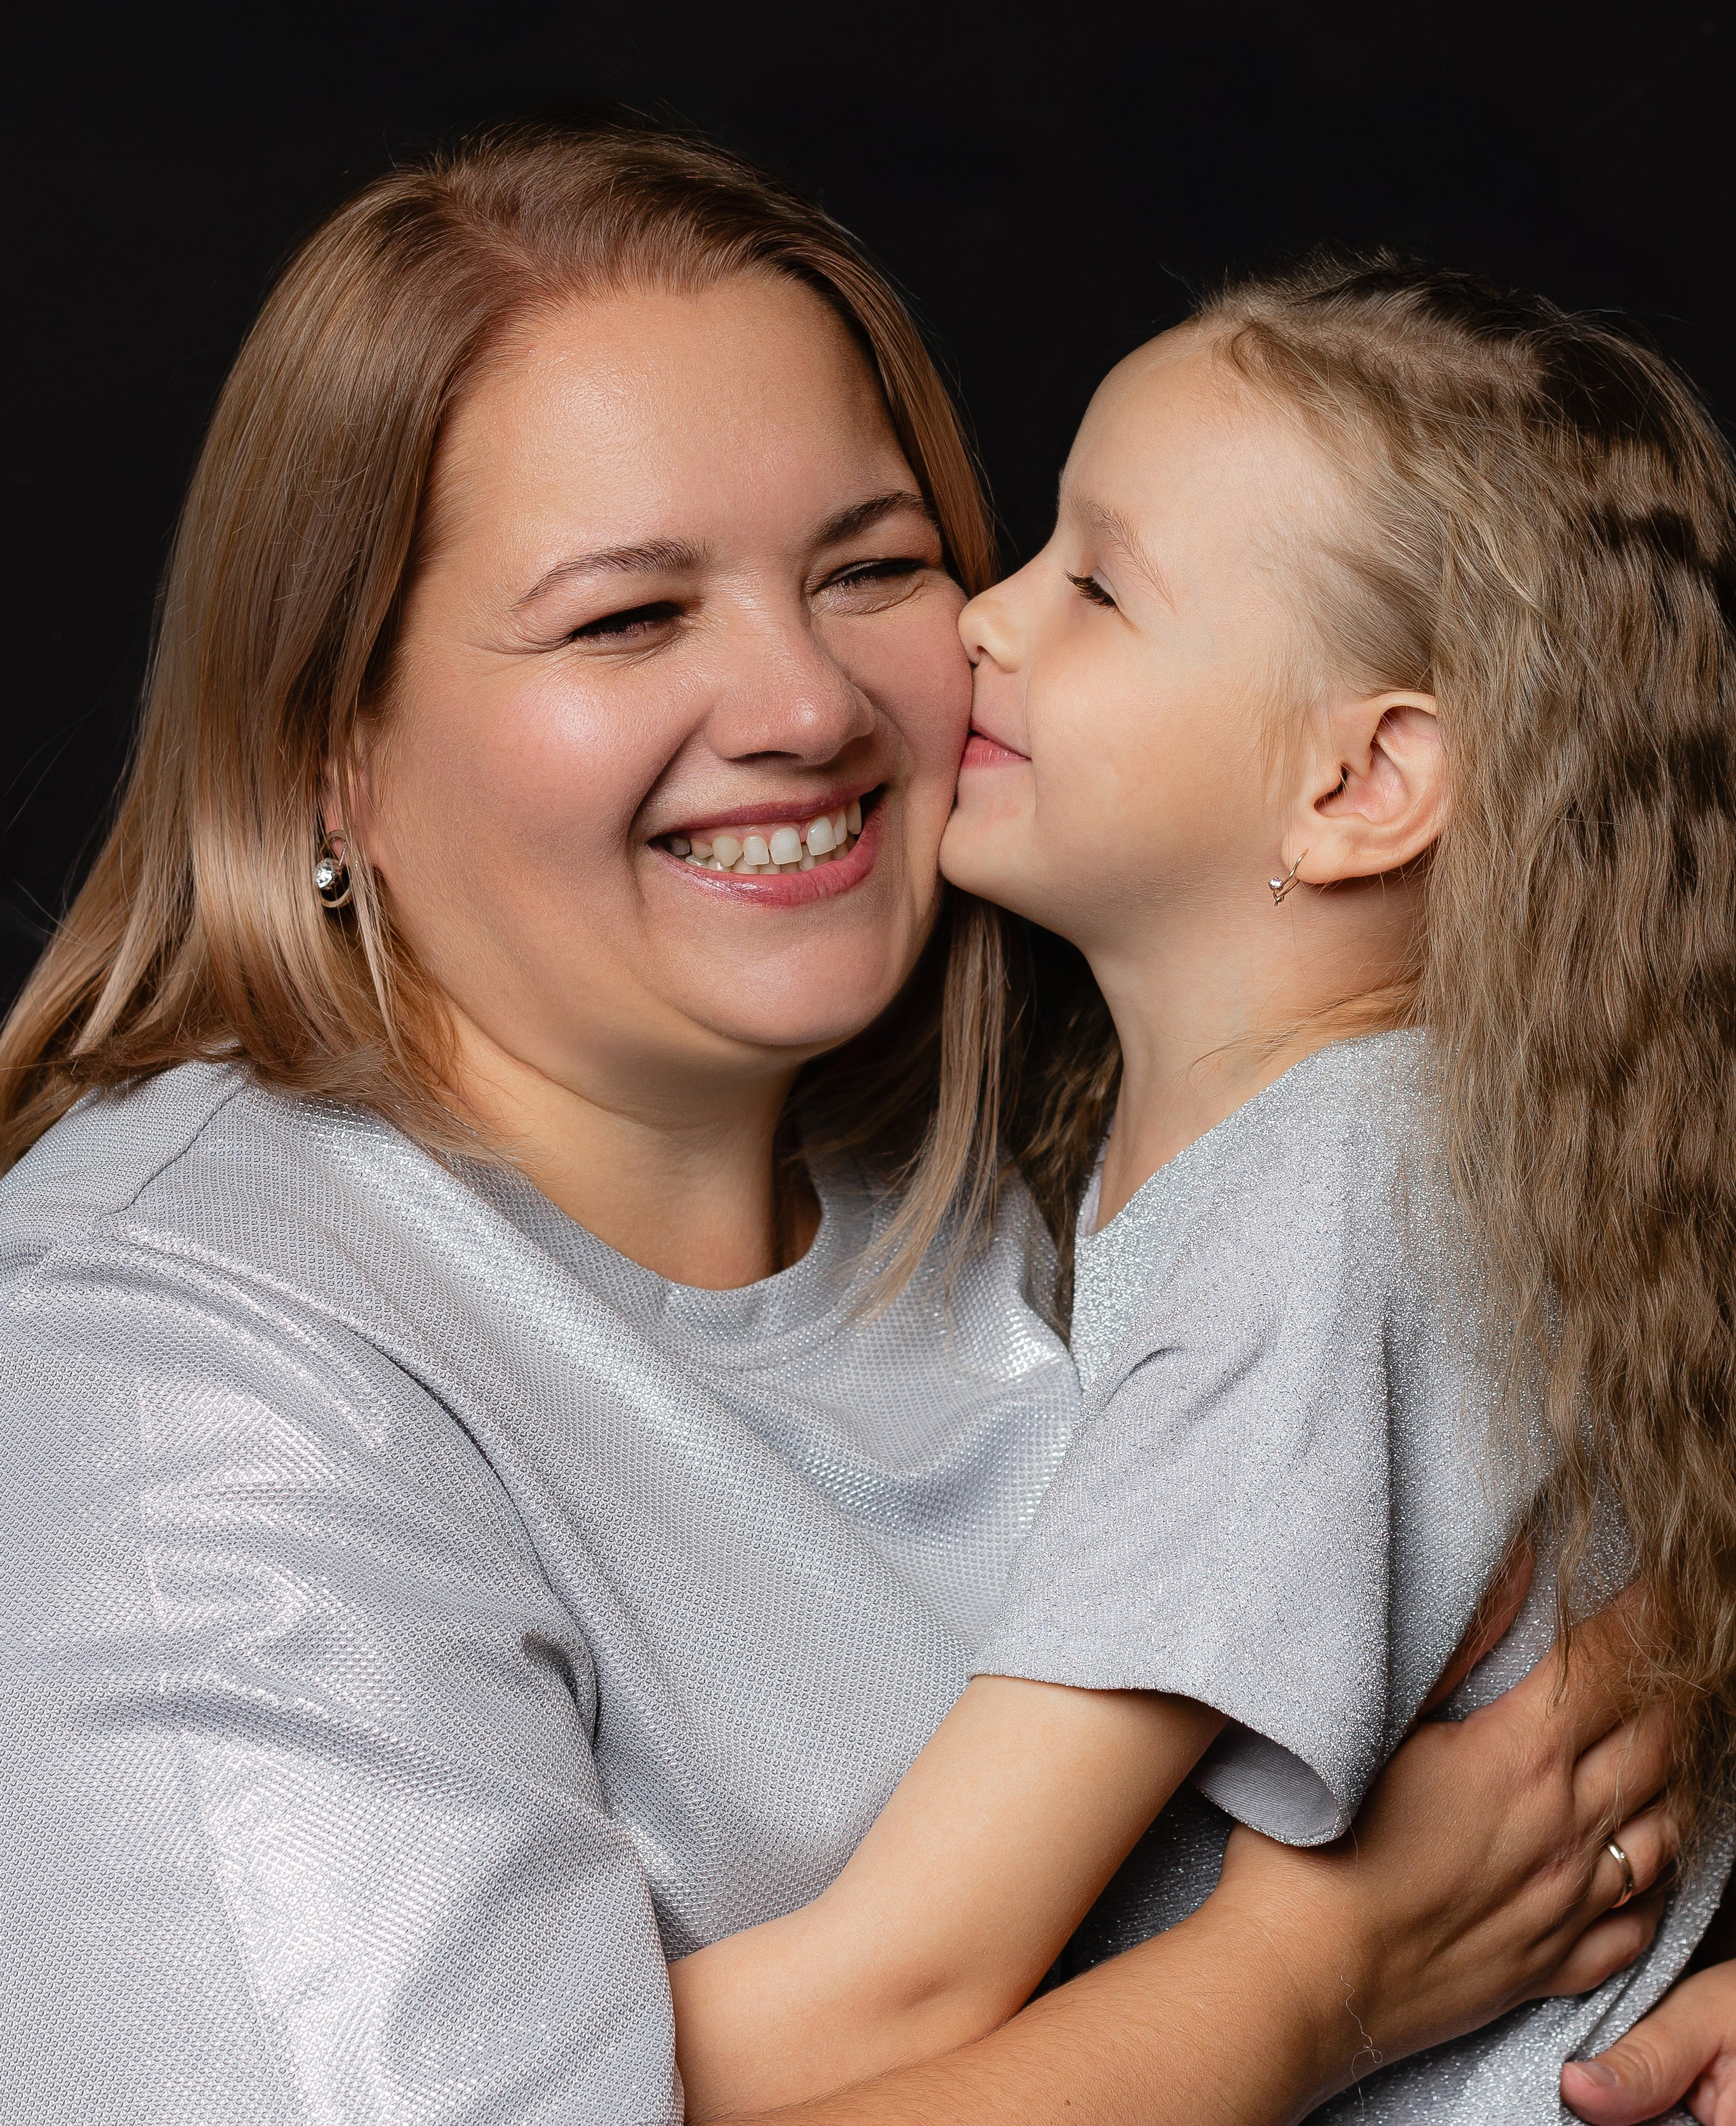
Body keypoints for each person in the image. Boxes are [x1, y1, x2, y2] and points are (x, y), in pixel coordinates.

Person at [0, 132, 1682, 2125]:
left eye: (876, 569)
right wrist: (1308, 1984)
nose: (809, 705)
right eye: (628, 618)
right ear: (323, 752)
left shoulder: (1117, 1154)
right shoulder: (177, 1364)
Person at [668, 255, 1736, 2123]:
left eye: (1096, 584)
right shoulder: (1288, 1166)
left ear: (1362, 781)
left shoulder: (1326, 1209)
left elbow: (915, 1976)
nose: (979, 617)